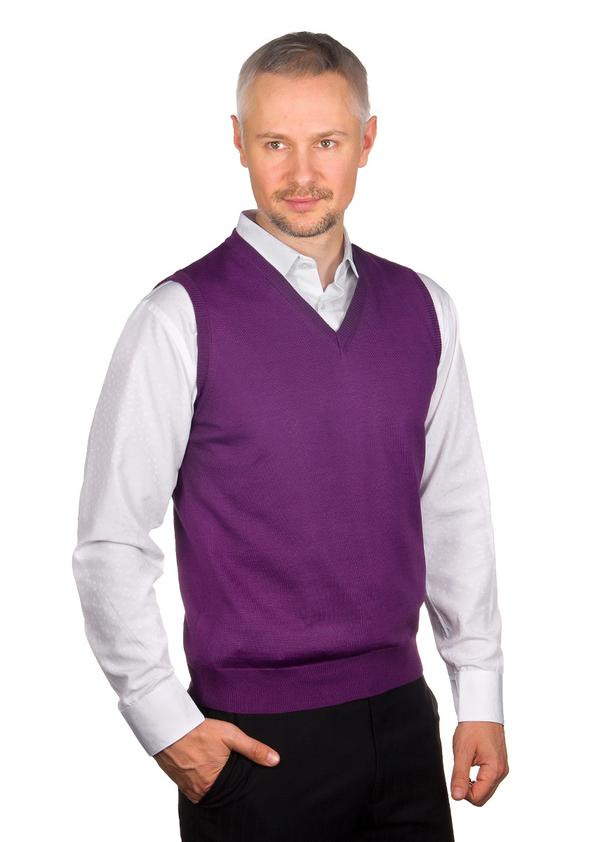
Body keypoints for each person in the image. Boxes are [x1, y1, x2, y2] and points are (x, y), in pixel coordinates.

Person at [72, 30, 509, 841]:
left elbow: (453, 507)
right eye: (276, 143)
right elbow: (111, 540)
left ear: (366, 142)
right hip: (253, 743)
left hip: (404, 724)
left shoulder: (424, 309)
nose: (302, 174)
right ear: (238, 142)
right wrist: (166, 724)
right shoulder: (178, 318)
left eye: (327, 143)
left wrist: (478, 690)